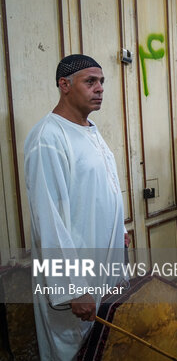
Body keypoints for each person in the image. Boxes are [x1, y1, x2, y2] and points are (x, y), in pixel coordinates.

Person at [24, 55, 126, 360]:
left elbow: (99, 190)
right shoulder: (48, 138)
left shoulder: (90, 129)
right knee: (73, 351)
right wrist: (74, 289)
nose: (99, 89)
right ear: (64, 85)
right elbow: (49, 220)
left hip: (103, 266)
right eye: (90, 81)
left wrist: (119, 230)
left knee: (103, 348)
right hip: (75, 280)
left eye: (102, 82)